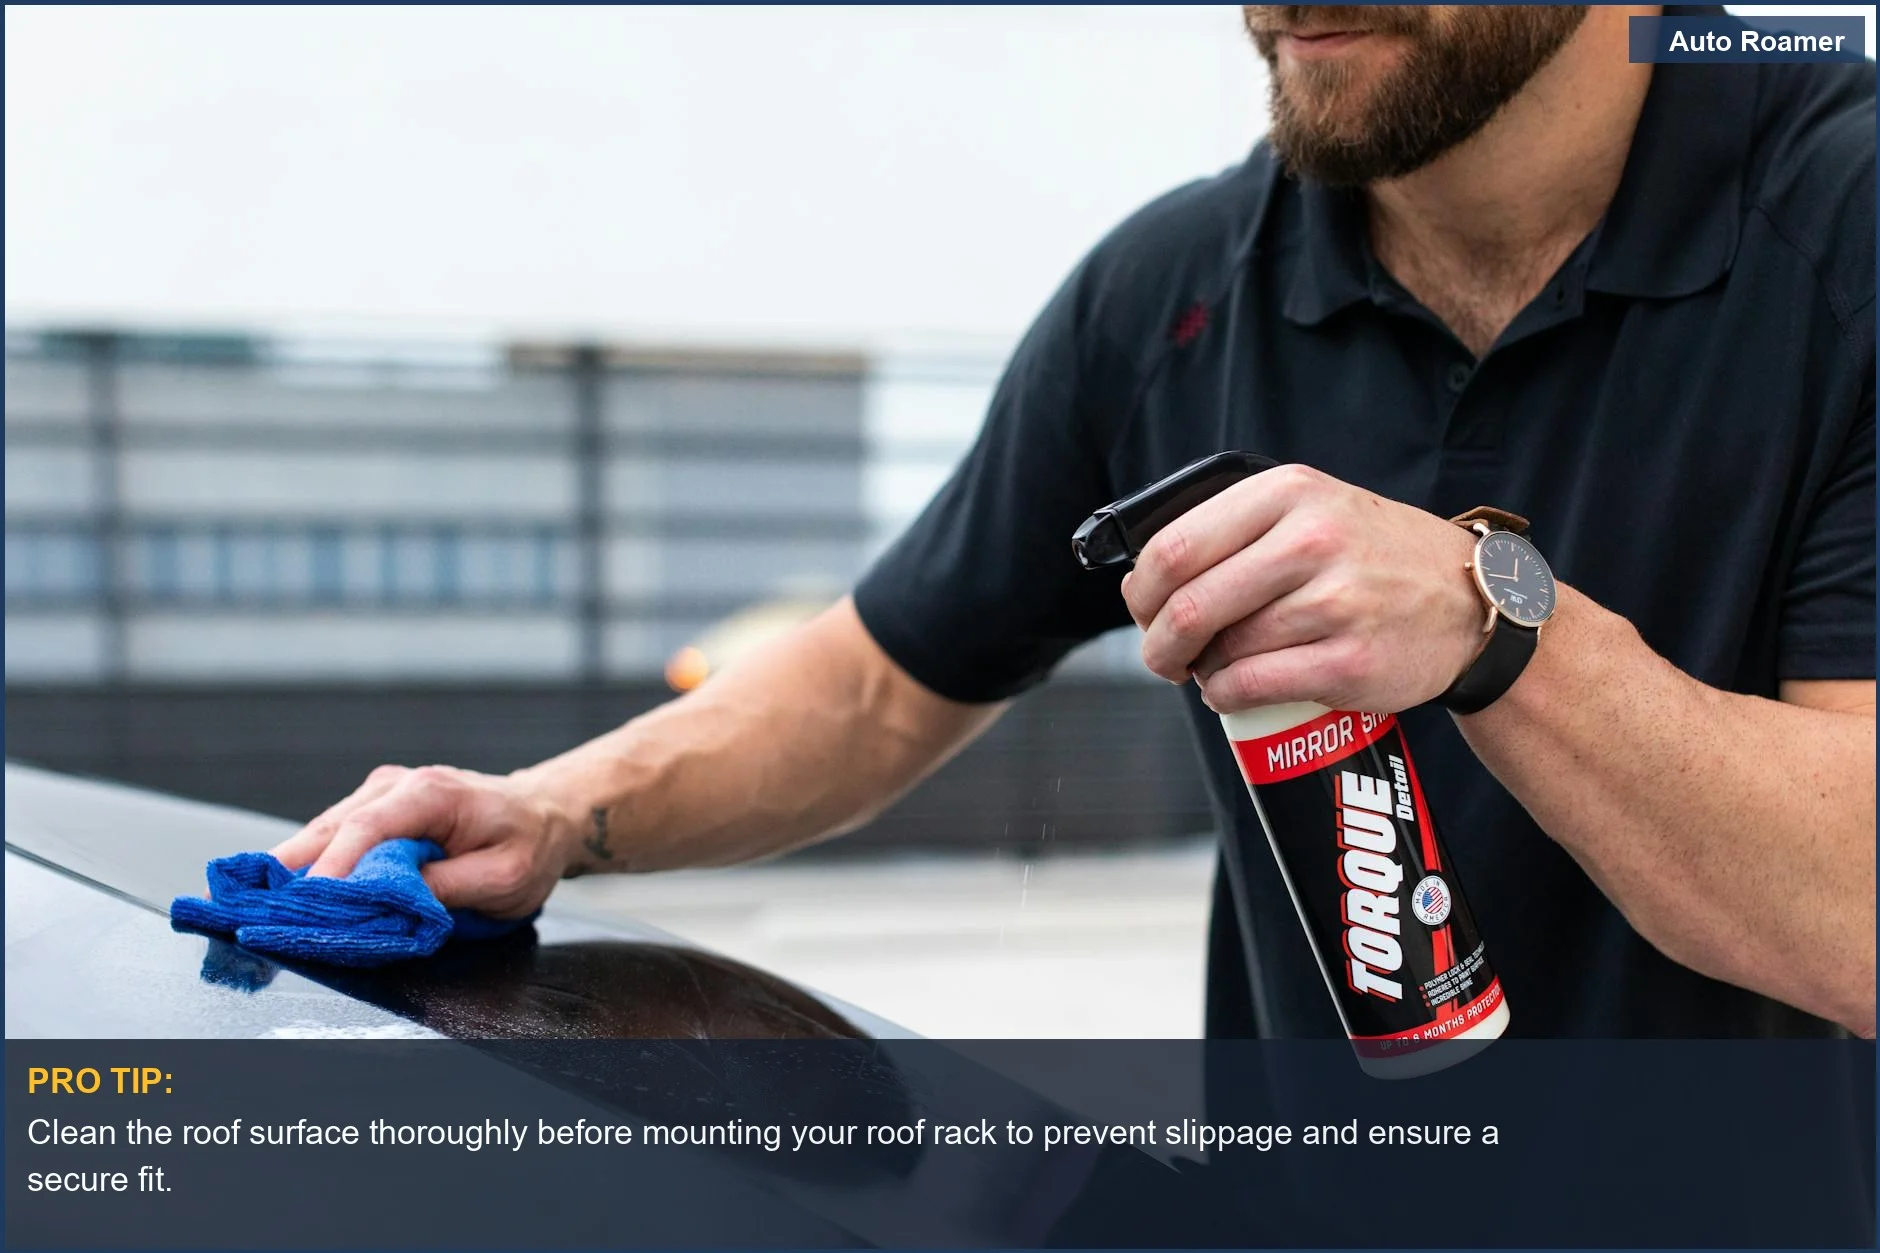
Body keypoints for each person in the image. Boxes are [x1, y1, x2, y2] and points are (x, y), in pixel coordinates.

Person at [274, 4, 1876, 1040]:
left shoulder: (1847, 221)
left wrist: (1492, 622)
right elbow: (880, 680)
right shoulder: (1175, 291)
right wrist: (550, 814)